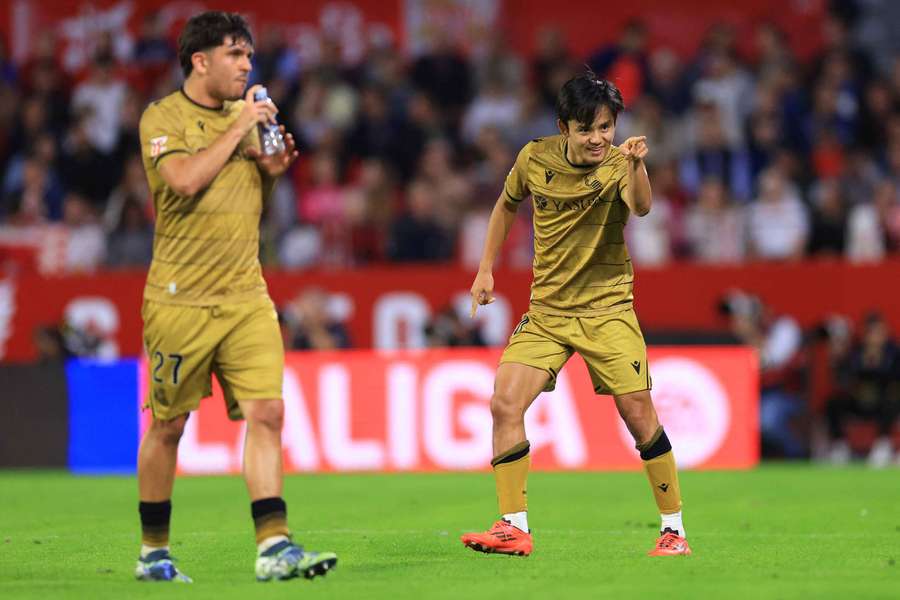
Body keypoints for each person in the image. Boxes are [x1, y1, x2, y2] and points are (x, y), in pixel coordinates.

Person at [135, 12, 337, 583]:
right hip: (180, 300)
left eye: (249, 56)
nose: (248, 66)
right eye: (235, 55)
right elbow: (185, 181)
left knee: (268, 413)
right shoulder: (163, 117)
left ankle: (274, 546)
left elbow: (250, 194)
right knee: (169, 427)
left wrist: (273, 168)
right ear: (200, 61)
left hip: (247, 293)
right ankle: (153, 552)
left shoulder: (246, 119)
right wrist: (240, 127)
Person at [461, 72, 690, 557]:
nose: (598, 139)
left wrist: (636, 166)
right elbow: (505, 206)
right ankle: (512, 526)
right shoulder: (533, 158)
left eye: (606, 127)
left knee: (638, 415)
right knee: (504, 403)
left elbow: (643, 208)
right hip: (547, 311)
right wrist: (485, 270)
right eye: (587, 129)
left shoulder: (617, 164)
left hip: (607, 310)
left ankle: (674, 531)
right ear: (562, 127)